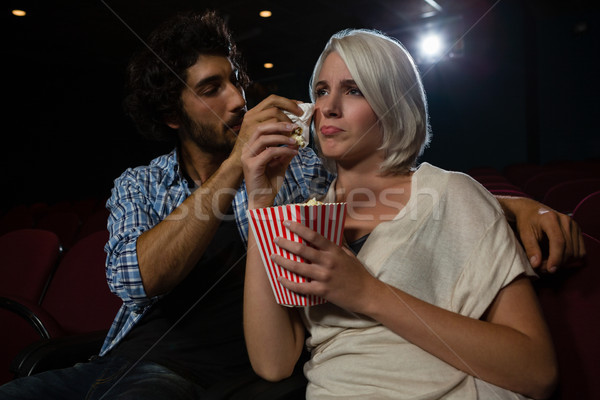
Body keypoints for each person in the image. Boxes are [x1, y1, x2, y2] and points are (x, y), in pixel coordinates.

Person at [0, 11, 583, 400]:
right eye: (211, 90)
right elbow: (135, 280)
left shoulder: (302, 172)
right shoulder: (150, 185)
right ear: (171, 117)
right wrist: (244, 179)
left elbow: (399, 175)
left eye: (236, 81)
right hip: (125, 356)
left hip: (206, 377)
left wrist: (513, 204)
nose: (239, 100)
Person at [241, 29, 573, 399]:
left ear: (393, 104)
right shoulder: (309, 216)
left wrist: (367, 293)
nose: (329, 107)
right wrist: (259, 202)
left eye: (354, 90)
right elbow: (274, 363)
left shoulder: (452, 193)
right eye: (321, 91)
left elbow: (536, 371)